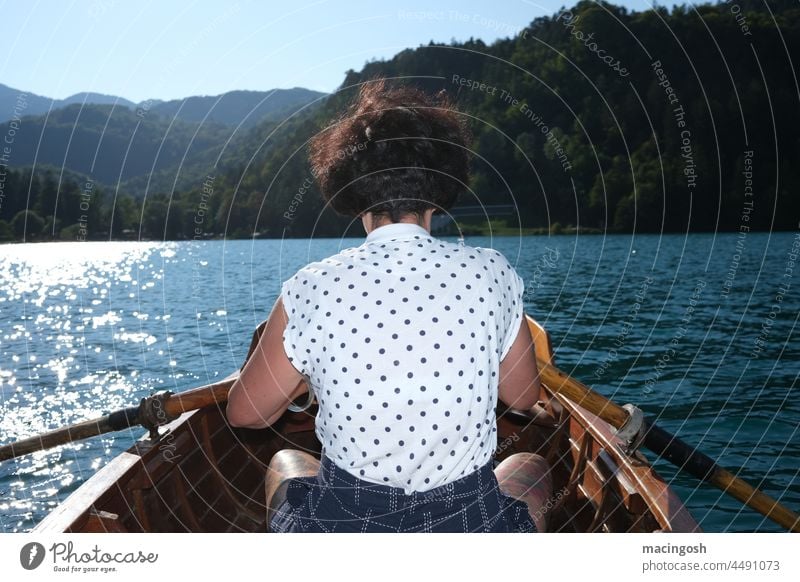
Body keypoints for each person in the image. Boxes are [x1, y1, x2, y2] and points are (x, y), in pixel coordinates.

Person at [226, 78, 546, 532]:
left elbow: (245, 414)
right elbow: (523, 397)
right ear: (438, 190)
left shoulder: (310, 287)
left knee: (287, 458)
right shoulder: (493, 272)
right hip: (465, 523)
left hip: (348, 525)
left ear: (353, 191)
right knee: (530, 465)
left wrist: (305, 379)